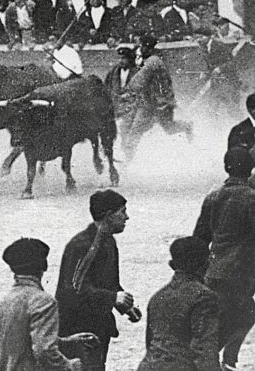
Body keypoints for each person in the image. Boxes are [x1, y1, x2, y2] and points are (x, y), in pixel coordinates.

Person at [56, 189, 141, 371]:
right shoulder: (84, 245)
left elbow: (108, 283)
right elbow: (73, 290)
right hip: (78, 328)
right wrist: (112, 298)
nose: (127, 217)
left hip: (97, 325)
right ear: (108, 215)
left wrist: (124, 306)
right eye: (122, 211)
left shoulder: (107, 241)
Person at [193, 147, 255, 370]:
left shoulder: (213, 197)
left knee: (230, 316)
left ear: (226, 167)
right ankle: (221, 361)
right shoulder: (251, 198)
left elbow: (199, 239)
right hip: (242, 270)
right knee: (245, 314)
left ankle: (218, 360)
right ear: (250, 169)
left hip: (215, 269)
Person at [0, 237, 97, 371]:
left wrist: (68, 341)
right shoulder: (43, 301)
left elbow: (22, 342)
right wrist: (69, 366)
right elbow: (43, 350)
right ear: (43, 266)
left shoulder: (6, 301)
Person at [137, 236, 221, 371]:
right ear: (206, 264)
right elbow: (205, 350)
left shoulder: (158, 297)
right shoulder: (204, 297)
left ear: (172, 264)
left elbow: (150, 344)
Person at [124, 35, 193, 159]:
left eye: (142, 46)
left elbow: (139, 80)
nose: (140, 49)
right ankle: (128, 158)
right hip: (150, 102)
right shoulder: (152, 60)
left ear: (147, 47)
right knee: (137, 130)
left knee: (168, 128)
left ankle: (187, 126)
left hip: (160, 102)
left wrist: (128, 91)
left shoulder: (153, 61)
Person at [104, 47, 140, 151]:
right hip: (115, 104)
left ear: (130, 59)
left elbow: (139, 90)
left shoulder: (136, 72)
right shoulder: (114, 71)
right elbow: (107, 86)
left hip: (131, 105)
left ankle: (126, 149)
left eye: (124, 58)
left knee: (125, 128)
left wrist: (128, 95)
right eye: (120, 58)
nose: (121, 61)